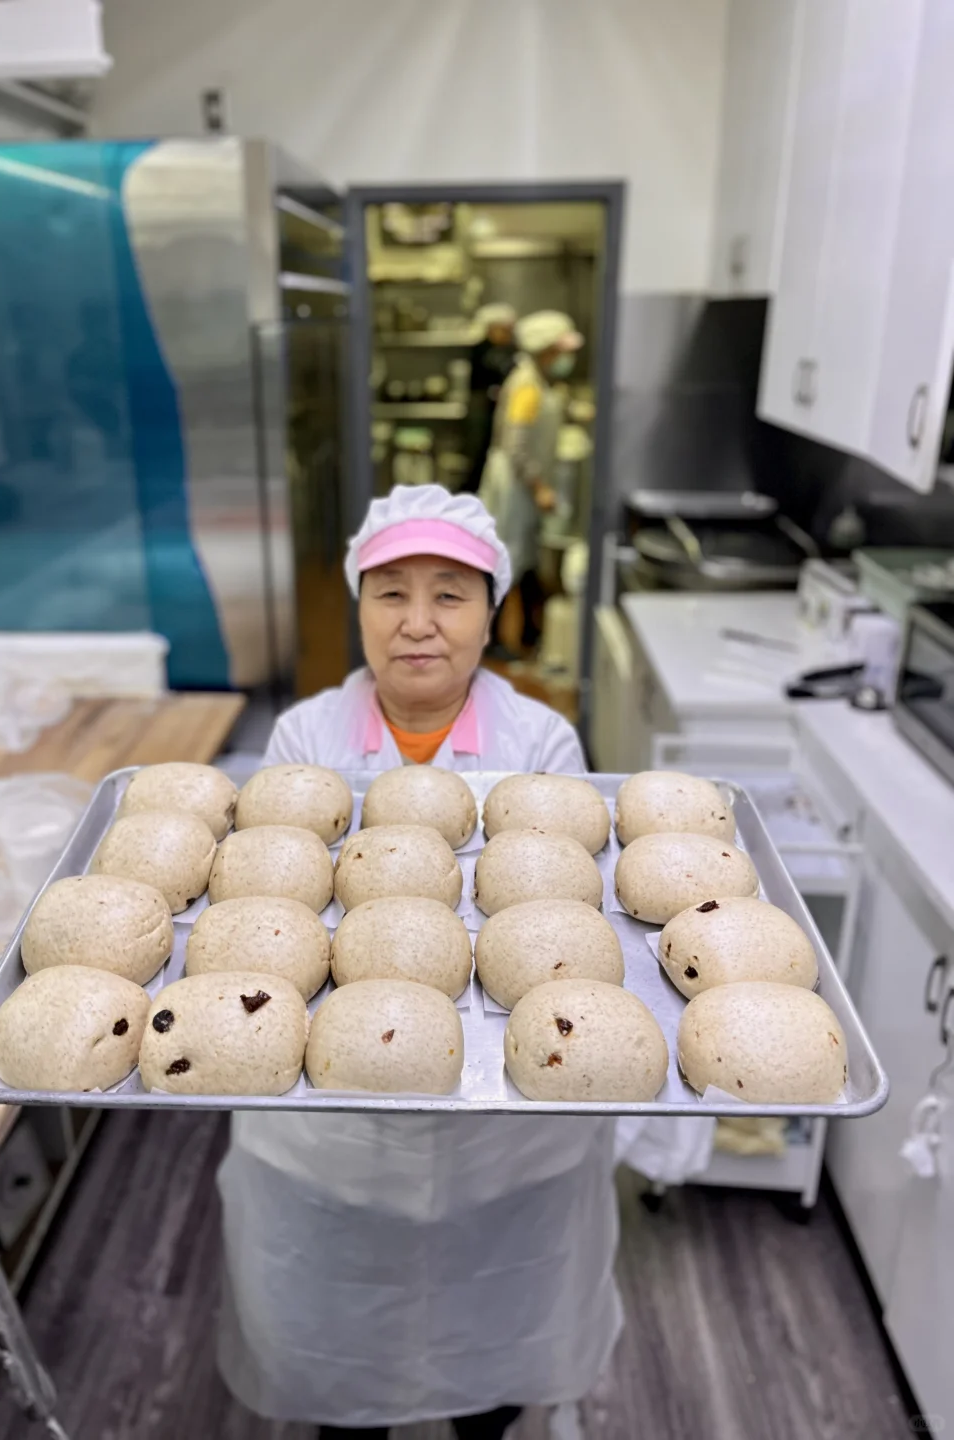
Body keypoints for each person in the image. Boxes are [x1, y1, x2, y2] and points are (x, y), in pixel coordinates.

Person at [216, 484, 622, 1439]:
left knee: (497, 1312)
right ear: (357, 605)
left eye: (450, 594)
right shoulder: (307, 738)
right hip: (336, 1119)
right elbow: (272, 912)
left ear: (492, 613)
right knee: (337, 1316)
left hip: (511, 1115)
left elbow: (562, 906)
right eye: (390, 593)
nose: (419, 624)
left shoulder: (539, 742)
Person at [479, 310, 582, 657]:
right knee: (507, 558)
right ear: (545, 351)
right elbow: (517, 445)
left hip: (521, 482)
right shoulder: (526, 386)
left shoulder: (537, 380)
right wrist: (538, 486)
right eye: (561, 350)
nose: (566, 358)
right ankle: (492, 641)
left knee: (523, 560)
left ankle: (528, 634)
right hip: (514, 484)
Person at [461, 303, 516, 494]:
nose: (508, 335)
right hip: (481, 407)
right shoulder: (481, 350)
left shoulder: (509, 350)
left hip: (498, 408)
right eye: (504, 330)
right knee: (479, 452)